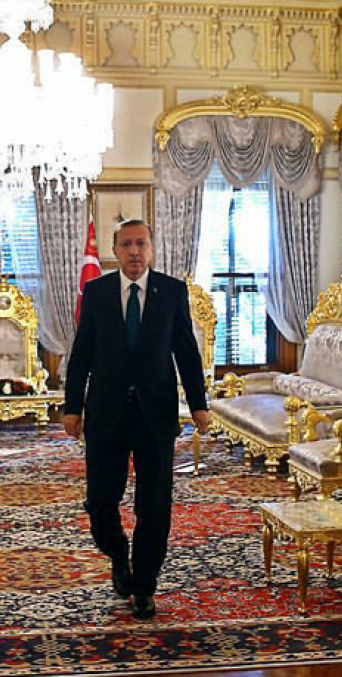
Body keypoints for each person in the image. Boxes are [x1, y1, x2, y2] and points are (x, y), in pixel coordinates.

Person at [63, 218, 210, 619]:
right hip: (106, 414)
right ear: (115, 251)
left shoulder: (172, 291)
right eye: (126, 244)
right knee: (100, 502)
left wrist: (199, 404)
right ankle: (117, 554)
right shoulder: (96, 292)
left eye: (141, 243)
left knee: (155, 504)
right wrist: (73, 407)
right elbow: (82, 354)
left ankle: (144, 584)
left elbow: (186, 352)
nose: (134, 251)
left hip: (154, 414)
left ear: (152, 248)